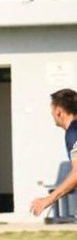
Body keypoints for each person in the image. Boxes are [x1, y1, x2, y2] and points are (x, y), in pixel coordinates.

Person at [30, 89, 77, 217]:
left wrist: (48, 199)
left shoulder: (73, 132)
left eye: (52, 110)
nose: (51, 113)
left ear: (58, 111)